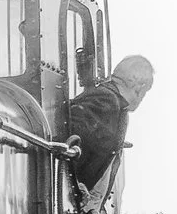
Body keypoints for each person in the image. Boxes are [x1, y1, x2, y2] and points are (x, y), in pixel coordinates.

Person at [65, 55, 155, 202]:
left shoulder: (114, 104)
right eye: (145, 91)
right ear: (139, 87)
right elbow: (72, 139)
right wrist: (72, 183)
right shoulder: (106, 100)